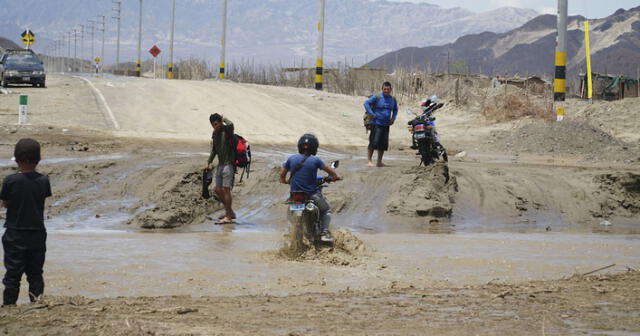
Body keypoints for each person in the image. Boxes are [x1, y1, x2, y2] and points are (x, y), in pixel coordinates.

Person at [1, 138, 51, 306]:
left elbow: (6, 203)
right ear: (39, 159)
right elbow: (41, 199)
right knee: (36, 273)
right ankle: (36, 304)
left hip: (15, 233)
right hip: (37, 232)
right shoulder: (44, 180)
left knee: (12, 274)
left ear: (15, 158)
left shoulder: (10, 180)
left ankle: (9, 306)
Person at [279, 134, 340, 242]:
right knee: (326, 210)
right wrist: (335, 177)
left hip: (295, 195)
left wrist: (285, 181)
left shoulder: (291, 159)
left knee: (289, 213)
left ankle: (292, 232)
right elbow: (331, 172)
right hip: (311, 194)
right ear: (314, 147)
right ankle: (324, 232)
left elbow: (282, 176)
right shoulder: (316, 160)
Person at [205, 113, 236, 224]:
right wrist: (208, 162)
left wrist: (224, 119)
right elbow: (214, 150)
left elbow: (231, 124)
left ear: (220, 122)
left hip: (228, 164)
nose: (215, 126)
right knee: (217, 190)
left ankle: (228, 216)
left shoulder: (227, 131)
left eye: (216, 124)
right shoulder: (215, 134)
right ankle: (230, 212)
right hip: (220, 164)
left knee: (226, 190)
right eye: (213, 125)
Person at [364, 81, 398, 167]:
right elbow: (366, 103)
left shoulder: (392, 99)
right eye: (385, 89)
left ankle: (379, 162)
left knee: (383, 144)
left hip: (386, 124)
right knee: (373, 142)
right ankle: (369, 160)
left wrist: (393, 118)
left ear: (391, 89)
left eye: (388, 89)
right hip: (376, 123)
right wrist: (371, 113)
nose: (386, 91)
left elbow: (395, 110)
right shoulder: (377, 97)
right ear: (382, 89)